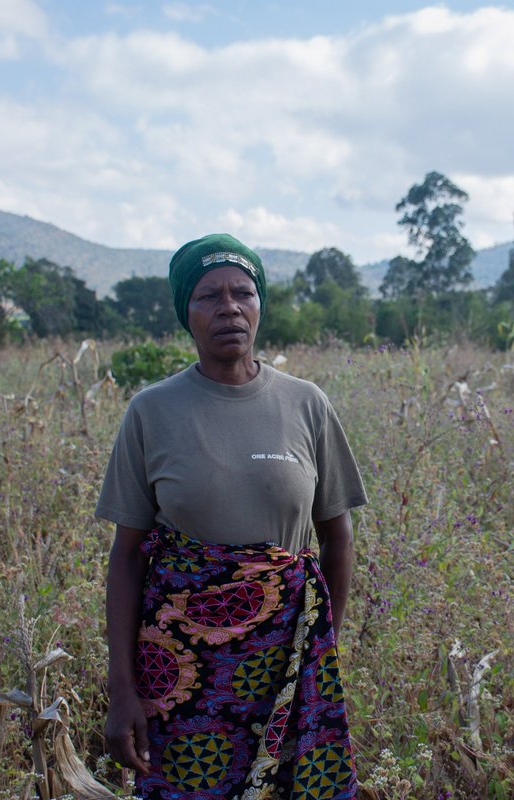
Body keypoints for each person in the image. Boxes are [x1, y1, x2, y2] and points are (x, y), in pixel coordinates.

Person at [97, 233, 368, 799]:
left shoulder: (306, 404)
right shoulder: (151, 411)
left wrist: (326, 644)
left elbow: (337, 539)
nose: (229, 308)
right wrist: (122, 690)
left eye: (243, 292)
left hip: (290, 658)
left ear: (260, 304)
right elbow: (125, 558)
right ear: (185, 314)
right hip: (181, 668)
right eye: (208, 296)